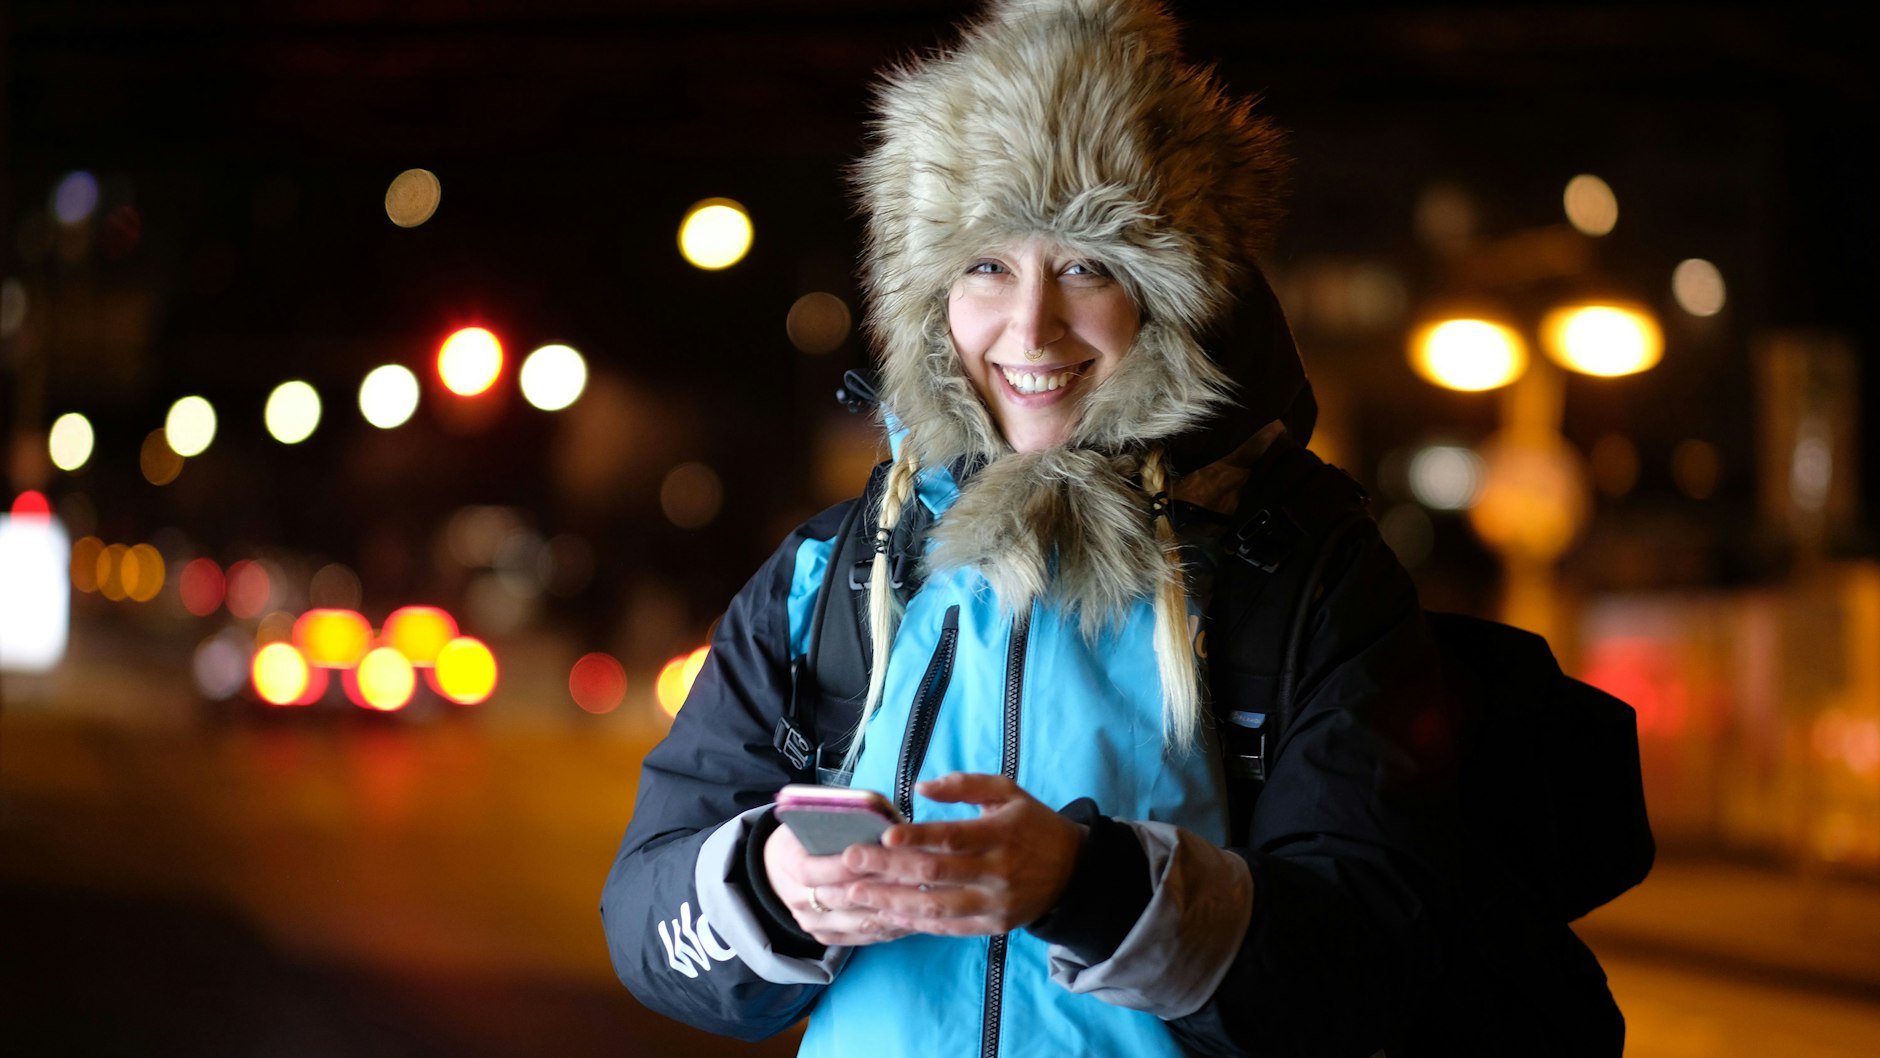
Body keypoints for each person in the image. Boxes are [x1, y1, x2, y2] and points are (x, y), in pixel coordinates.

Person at [602, 1, 1460, 1054]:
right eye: (985, 266)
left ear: (1178, 294)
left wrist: (1089, 886)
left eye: (1087, 265)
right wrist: (774, 886)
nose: (1029, 327)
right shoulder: (835, 571)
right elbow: (645, 922)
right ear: (928, 298)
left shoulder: (1305, 575)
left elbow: (1367, 967)